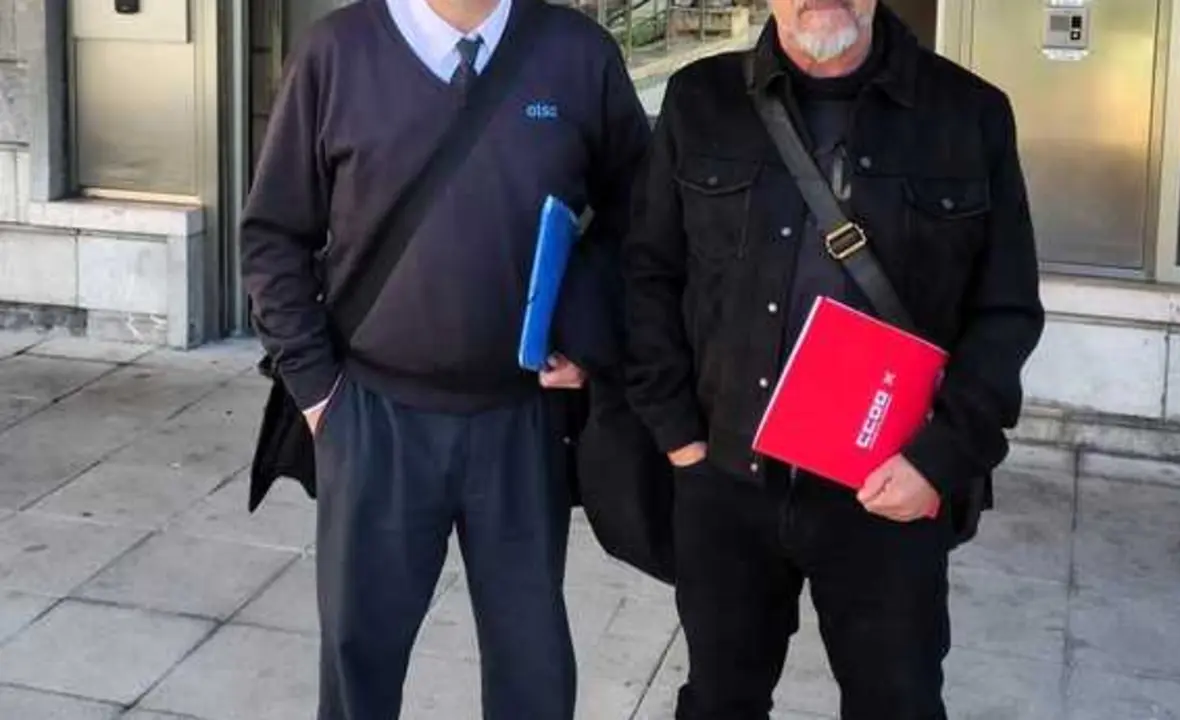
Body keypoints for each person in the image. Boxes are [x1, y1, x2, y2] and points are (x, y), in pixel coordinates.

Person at [622, 0, 1045, 717]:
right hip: (728, 477)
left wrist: (939, 459)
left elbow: (1005, 311)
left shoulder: (969, 114)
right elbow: (648, 273)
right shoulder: (700, 101)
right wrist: (678, 436)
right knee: (720, 700)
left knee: (897, 703)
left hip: (889, 485)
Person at [240, 0, 650, 717]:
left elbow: (641, 219)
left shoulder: (579, 54)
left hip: (522, 420)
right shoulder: (334, 54)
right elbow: (272, 236)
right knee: (358, 662)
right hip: (373, 419)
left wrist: (588, 334)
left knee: (532, 667)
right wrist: (317, 392)